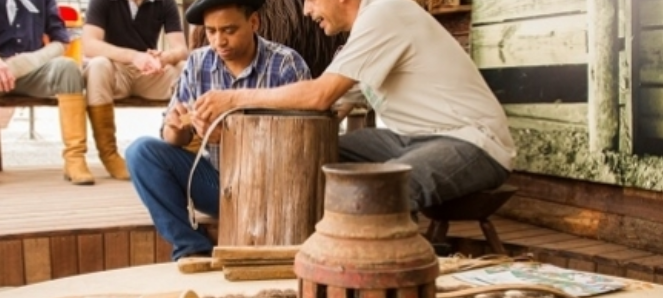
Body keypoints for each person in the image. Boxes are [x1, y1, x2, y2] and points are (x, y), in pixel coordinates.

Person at [193, 0, 516, 213]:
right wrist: (234, 125)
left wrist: (234, 98)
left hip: (473, 141)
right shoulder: (363, 37)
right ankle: (303, 248)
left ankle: (385, 277)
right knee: (315, 153)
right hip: (412, 139)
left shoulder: (385, 13)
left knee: (382, 189)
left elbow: (319, 95)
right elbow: (324, 111)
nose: (306, 10)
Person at [124, 0, 311, 260]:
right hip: (221, 185)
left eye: (229, 30)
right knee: (140, 152)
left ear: (254, 22)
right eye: (211, 31)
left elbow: (303, 149)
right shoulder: (198, 63)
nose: (218, 41)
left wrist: (230, 139)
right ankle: (192, 248)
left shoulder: (286, 65)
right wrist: (177, 128)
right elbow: (172, 137)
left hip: (274, 190)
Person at [0, 0, 93, 189]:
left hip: (31, 70)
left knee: (68, 67)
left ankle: (75, 159)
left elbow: (61, 41)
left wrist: (26, 62)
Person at [81, 0, 190, 180]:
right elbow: (90, 45)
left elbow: (181, 49)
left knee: (186, 69)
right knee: (97, 65)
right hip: (115, 71)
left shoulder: (166, 3)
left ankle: (185, 151)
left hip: (150, 73)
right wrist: (133, 56)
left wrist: (165, 57)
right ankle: (109, 156)